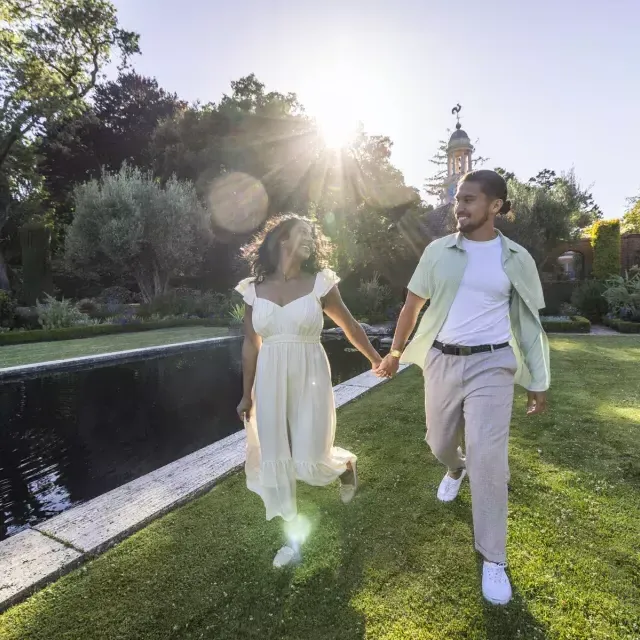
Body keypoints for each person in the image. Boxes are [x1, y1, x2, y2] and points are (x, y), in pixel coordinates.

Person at [376, 170, 550, 605]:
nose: (460, 207)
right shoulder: (438, 252)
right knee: (438, 442)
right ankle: (455, 467)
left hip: (493, 364)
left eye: (470, 200)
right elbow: (411, 305)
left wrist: (538, 378)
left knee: (489, 457)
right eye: (458, 199)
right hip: (441, 359)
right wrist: (396, 351)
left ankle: (494, 557)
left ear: (495, 206)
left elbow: (529, 324)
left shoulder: (516, 259)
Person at [236, 214, 382, 568]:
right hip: (269, 380)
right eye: (303, 233)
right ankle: (293, 543)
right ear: (282, 240)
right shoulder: (253, 289)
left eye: (313, 236)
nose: (310, 240)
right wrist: (246, 393)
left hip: (310, 375)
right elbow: (250, 344)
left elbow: (349, 326)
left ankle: (345, 465)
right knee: (277, 457)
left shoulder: (320, 283)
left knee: (312, 456)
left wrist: (377, 359)